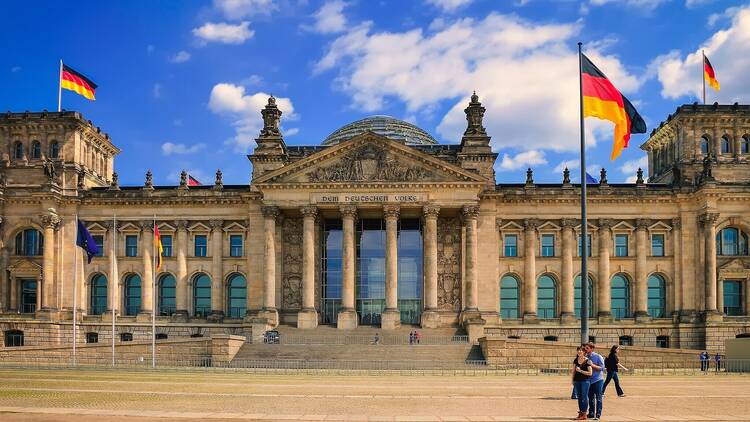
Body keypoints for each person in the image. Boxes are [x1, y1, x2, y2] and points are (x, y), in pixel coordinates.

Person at [571, 345, 593, 420]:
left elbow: (590, 373)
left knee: (584, 397)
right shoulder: (575, 360)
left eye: (581, 350)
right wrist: (572, 380)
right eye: (578, 350)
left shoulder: (588, 361)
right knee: (579, 397)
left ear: (584, 352)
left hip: (585, 381)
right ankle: (581, 413)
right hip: (577, 381)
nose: (579, 351)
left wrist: (580, 371)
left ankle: (584, 414)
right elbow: (573, 371)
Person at [584, 342, 604, 420]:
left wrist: (592, 365)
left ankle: (598, 414)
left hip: (598, 380)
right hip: (589, 380)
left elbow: (602, 368)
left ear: (592, 349)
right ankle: (591, 413)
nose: (585, 350)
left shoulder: (598, 357)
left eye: (587, 348)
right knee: (590, 397)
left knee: (598, 398)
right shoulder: (585, 357)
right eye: (585, 348)